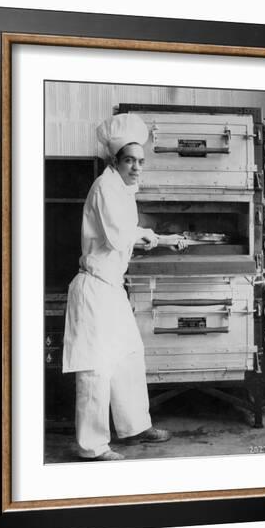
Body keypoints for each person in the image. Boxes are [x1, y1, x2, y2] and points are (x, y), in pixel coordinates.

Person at [62, 113, 186, 461]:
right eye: (129, 160)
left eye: (140, 162)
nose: (136, 167)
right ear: (115, 161)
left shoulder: (121, 190)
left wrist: (163, 238)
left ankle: (134, 427)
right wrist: (151, 237)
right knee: (96, 369)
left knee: (129, 356)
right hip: (93, 289)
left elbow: (127, 234)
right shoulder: (104, 187)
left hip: (111, 289)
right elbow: (119, 236)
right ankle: (93, 446)